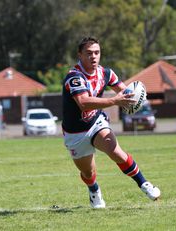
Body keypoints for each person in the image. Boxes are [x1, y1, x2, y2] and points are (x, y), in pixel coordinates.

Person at [61, 37, 160, 208]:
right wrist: (115, 101)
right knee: (87, 171)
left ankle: (144, 184)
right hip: (75, 133)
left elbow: (125, 92)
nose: (94, 57)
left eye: (97, 53)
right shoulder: (74, 77)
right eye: (89, 53)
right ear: (80, 55)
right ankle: (94, 191)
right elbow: (84, 103)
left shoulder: (106, 73)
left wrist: (136, 97)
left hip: (96, 123)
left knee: (116, 151)